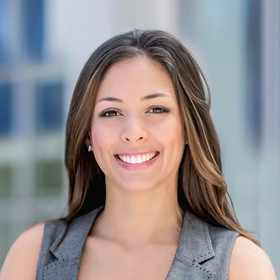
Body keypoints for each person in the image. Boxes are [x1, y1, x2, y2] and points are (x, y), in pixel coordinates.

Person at [0, 29, 276, 280]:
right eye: (111, 112)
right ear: (87, 134)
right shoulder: (33, 256)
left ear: (190, 128)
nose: (133, 132)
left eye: (156, 109)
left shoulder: (241, 266)